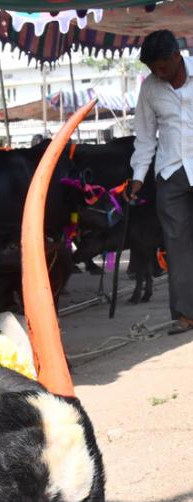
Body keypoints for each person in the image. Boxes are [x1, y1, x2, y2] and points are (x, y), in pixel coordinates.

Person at [128, 29, 193, 334]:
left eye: (162, 66)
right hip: (170, 172)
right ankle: (184, 314)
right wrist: (138, 177)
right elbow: (144, 137)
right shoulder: (150, 89)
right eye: (153, 68)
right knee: (177, 245)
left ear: (176, 56)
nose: (158, 72)